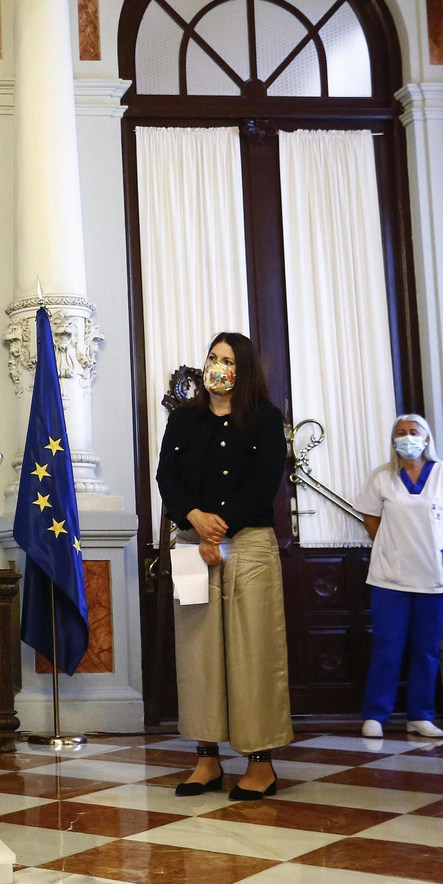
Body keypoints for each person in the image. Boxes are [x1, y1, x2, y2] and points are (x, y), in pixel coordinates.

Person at [156, 332, 291, 801]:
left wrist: (221, 527)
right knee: (198, 655)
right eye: (213, 358)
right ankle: (206, 759)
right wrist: (194, 517)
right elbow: (166, 477)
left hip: (248, 544)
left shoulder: (265, 418)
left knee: (254, 653)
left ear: (244, 369)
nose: (218, 367)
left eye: (228, 361)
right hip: (193, 543)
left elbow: (266, 481)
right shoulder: (184, 418)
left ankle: (260, 763)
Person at [354, 414, 443, 739]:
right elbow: (371, 521)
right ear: (392, 440)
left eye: (413, 432)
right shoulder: (381, 477)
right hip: (390, 578)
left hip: (436, 578)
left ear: (426, 439)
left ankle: (420, 716)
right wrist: (395, 548)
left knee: (426, 649)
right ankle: (376, 715)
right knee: (387, 647)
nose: (406, 437)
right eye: (400, 432)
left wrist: (436, 548)